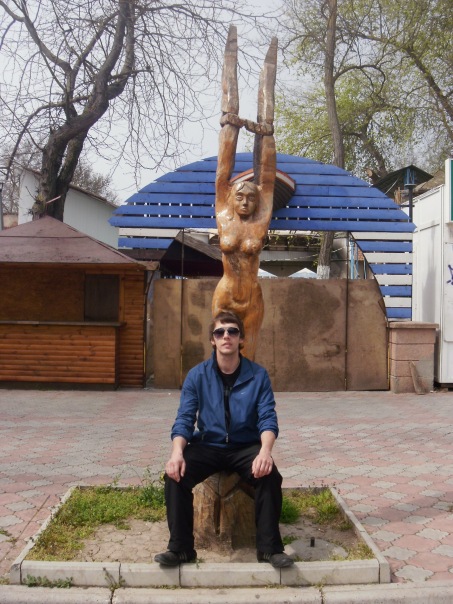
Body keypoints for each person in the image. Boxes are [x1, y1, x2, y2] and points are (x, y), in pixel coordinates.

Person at [154, 310, 293, 569]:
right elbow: (185, 418)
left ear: (241, 338)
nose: (226, 336)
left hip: (245, 446)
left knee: (270, 476)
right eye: (220, 332)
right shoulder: (197, 375)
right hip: (209, 444)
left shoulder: (258, 375)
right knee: (175, 476)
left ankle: (269, 549)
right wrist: (177, 453)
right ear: (213, 340)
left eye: (232, 331)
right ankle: (181, 549)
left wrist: (265, 451)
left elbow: (267, 418)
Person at [212, 26, 277, 360]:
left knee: (248, 359)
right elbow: (224, 167)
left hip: (252, 297)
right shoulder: (224, 212)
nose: (246, 201)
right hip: (225, 293)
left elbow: (267, 174)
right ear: (230, 197)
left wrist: (266, 131)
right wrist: (230, 122)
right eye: (240, 196)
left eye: (251, 197)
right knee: (219, 359)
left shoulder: (261, 215)